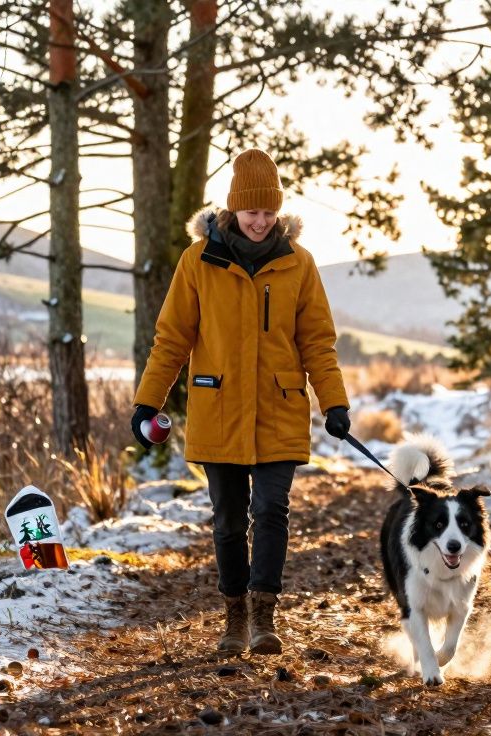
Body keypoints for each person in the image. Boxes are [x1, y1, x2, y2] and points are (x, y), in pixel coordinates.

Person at [130, 149, 352, 655]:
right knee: (228, 518)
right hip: (219, 409)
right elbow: (172, 339)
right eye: (252, 212)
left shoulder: (299, 262)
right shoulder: (198, 260)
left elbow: (317, 340)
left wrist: (333, 403)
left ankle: (263, 615)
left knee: (272, 510)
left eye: (269, 212)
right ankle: (233, 615)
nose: (260, 221)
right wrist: (148, 403)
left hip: (279, 407)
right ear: (233, 209)